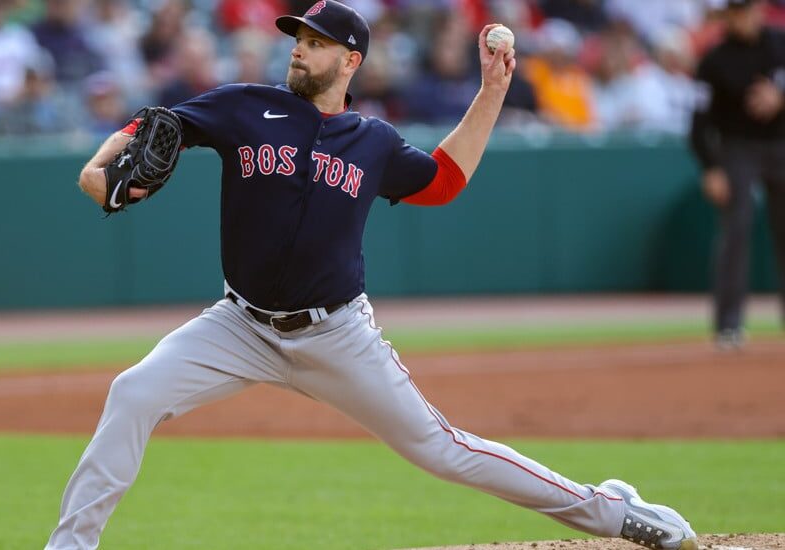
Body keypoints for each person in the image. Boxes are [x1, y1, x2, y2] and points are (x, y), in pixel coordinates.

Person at [46, 2, 698, 549]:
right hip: (239, 325)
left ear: (350, 61)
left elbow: (444, 183)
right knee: (133, 391)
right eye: (298, 40)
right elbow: (155, 126)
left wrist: (492, 92)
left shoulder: (373, 140)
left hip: (336, 335)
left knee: (444, 450)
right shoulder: (246, 106)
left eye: (316, 43)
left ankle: (613, 510)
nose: (300, 51)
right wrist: (97, 168)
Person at [690, 0, 785, 350]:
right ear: (727, 16)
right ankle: (729, 324)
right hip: (738, 149)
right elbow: (698, 123)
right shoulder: (714, 60)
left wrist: (780, 96)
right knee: (736, 231)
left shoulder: (780, 43)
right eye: (735, 10)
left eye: (746, 8)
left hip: (780, 144)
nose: (742, 17)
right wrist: (711, 167)